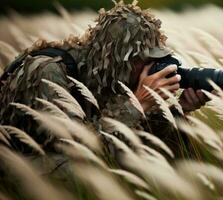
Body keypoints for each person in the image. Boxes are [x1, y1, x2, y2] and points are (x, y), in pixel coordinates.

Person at [0, 1, 208, 155]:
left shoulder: (110, 78)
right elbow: (76, 151)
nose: (150, 68)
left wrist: (176, 111)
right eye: (143, 60)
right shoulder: (49, 73)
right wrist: (136, 105)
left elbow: (145, 142)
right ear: (117, 60)